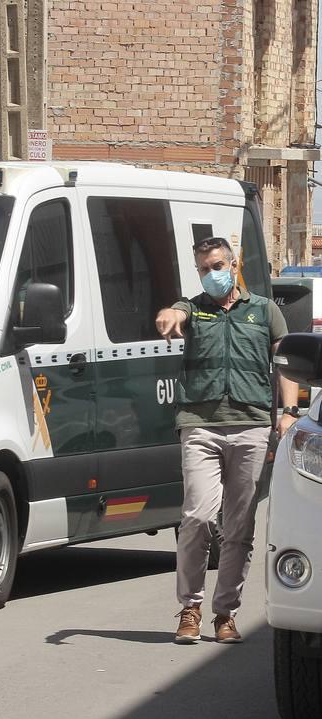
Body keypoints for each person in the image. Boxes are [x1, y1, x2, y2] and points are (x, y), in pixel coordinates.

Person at [155, 236, 298, 645]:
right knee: (197, 517)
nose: (211, 274)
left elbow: (285, 363)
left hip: (252, 425)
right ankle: (190, 607)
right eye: (203, 268)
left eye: (217, 265)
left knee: (238, 528)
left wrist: (288, 414)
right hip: (200, 425)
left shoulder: (264, 311)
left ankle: (225, 614)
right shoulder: (194, 308)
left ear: (233, 265)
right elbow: (175, 310)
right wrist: (170, 312)